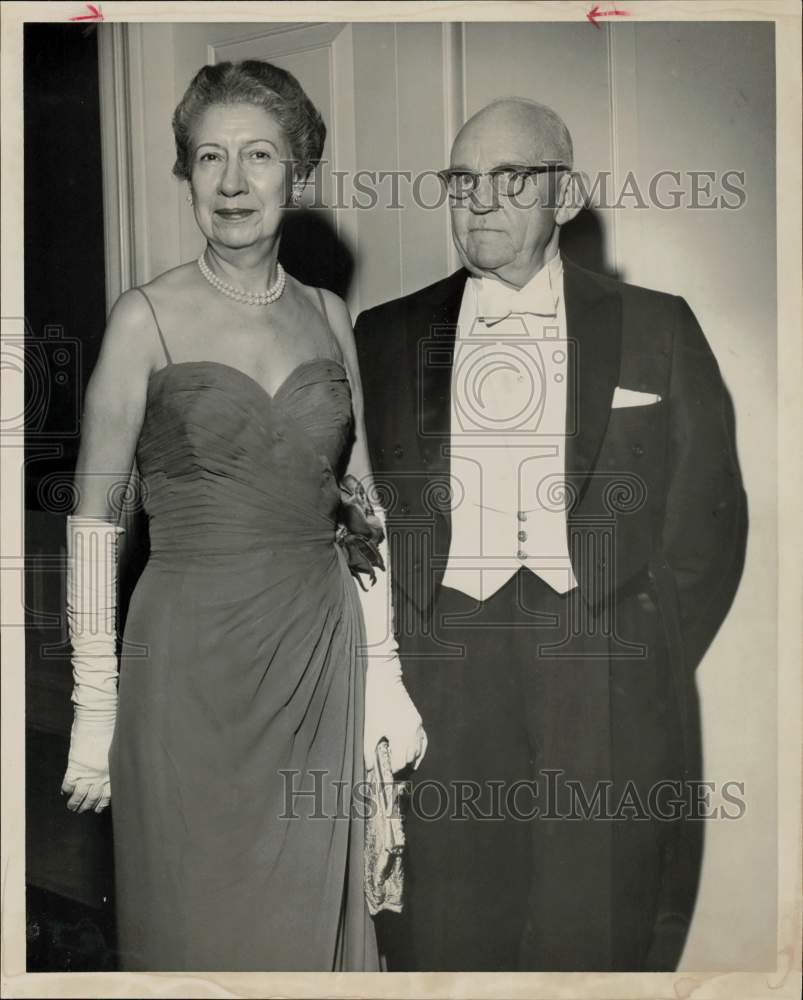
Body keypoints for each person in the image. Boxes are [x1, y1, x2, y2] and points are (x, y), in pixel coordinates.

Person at [355, 97, 748, 971]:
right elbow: (361, 513)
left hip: (599, 660)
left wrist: (633, 640)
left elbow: (706, 519)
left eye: (511, 177)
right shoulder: (383, 334)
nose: (479, 200)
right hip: (444, 666)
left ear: (563, 196)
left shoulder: (657, 324)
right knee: (450, 926)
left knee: (597, 921)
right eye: (461, 180)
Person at [59, 59, 426, 972]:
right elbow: (95, 525)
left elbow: (365, 503)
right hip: (186, 666)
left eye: (258, 156)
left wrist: (384, 674)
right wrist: (93, 708)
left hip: (319, 659)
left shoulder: (331, 316)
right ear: (185, 173)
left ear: (295, 172)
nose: (233, 183)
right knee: (197, 925)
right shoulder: (144, 318)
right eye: (209, 157)